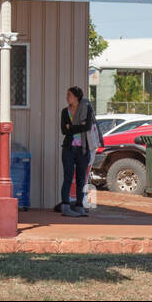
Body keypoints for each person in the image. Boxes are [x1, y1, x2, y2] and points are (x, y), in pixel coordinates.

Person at [55, 86, 92, 216]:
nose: (67, 97)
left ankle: (79, 204)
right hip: (69, 148)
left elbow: (87, 126)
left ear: (76, 97)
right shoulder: (65, 112)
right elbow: (64, 131)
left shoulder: (86, 109)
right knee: (68, 176)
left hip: (83, 148)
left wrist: (71, 126)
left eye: (69, 95)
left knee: (81, 178)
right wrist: (78, 126)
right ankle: (65, 204)